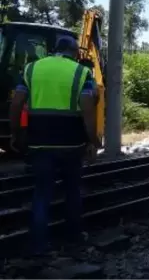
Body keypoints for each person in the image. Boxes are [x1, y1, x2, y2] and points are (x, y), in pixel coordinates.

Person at [9, 35, 101, 255]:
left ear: (54, 50)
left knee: (42, 192)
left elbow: (16, 103)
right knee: (72, 190)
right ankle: (73, 236)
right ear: (74, 52)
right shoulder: (81, 72)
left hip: (39, 142)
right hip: (72, 143)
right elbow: (88, 109)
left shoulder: (31, 69)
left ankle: (38, 244)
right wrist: (92, 140)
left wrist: (16, 134)